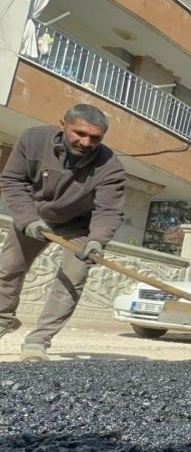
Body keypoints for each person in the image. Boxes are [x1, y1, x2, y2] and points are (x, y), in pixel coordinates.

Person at [0, 104, 126, 361]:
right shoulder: (33, 139)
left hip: (80, 226)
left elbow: (109, 210)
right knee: (8, 270)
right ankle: (2, 320)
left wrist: (96, 241)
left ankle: (38, 341)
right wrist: (27, 219)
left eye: (95, 138)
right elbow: (13, 180)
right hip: (35, 217)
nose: (86, 141)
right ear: (62, 124)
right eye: (80, 133)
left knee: (72, 279)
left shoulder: (110, 166)